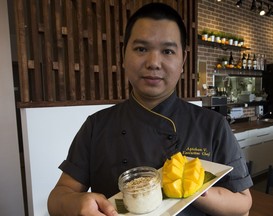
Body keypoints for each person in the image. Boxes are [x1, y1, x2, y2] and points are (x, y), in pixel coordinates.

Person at [48, 3, 253, 216]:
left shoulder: (212, 125)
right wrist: (77, 204)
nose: (154, 62)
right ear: (124, 55)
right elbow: (57, 198)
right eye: (141, 49)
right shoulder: (96, 125)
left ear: (183, 60)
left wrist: (192, 187)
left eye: (167, 51)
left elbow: (243, 202)